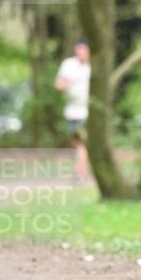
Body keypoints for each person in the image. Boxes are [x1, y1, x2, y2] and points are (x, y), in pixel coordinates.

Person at [55, 39, 91, 185]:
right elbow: (58, 84)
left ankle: (79, 175)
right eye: (78, 51)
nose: (81, 54)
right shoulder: (69, 64)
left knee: (81, 144)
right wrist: (67, 82)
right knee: (76, 144)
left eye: (83, 51)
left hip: (86, 111)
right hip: (71, 111)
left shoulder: (93, 67)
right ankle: (83, 173)